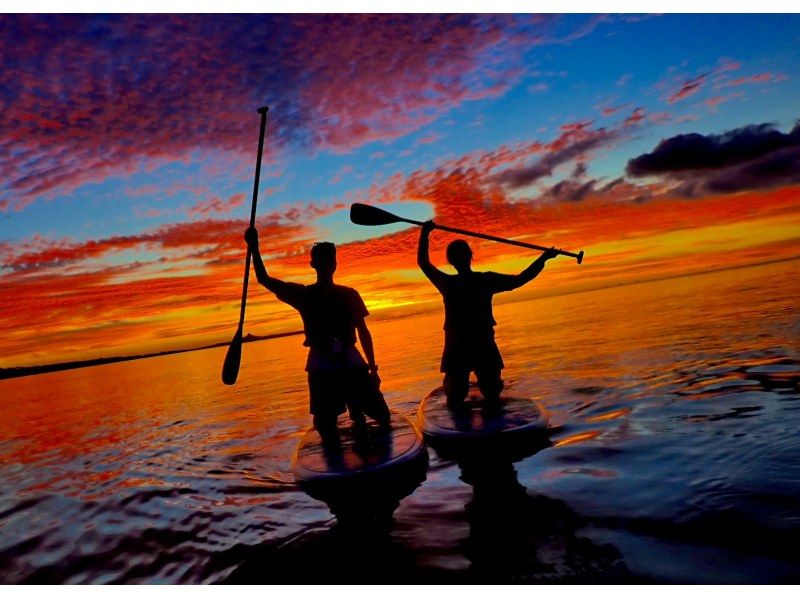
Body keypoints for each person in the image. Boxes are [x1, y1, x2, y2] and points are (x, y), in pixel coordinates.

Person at [245, 227, 390, 439]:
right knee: (327, 425)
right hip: (325, 365)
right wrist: (253, 247)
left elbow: (364, 332)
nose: (327, 264)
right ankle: (354, 412)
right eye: (325, 260)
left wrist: (372, 368)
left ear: (328, 264)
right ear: (322, 264)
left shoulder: (339, 294)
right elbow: (264, 279)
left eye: (328, 260)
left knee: (379, 417)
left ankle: (355, 412)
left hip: (346, 362)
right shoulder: (308, 294)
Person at [417, 220, 560, 409]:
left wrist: (425, 233)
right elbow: (521, 279)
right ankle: (454, 386)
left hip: (479, 343)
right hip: (460, 345)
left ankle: (471, 387)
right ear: (469, 257)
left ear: (454, 260)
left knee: (487, 392)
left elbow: (423, 263)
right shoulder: (475, 281)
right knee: (459, 394)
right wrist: (543, 258)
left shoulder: (455, 282)